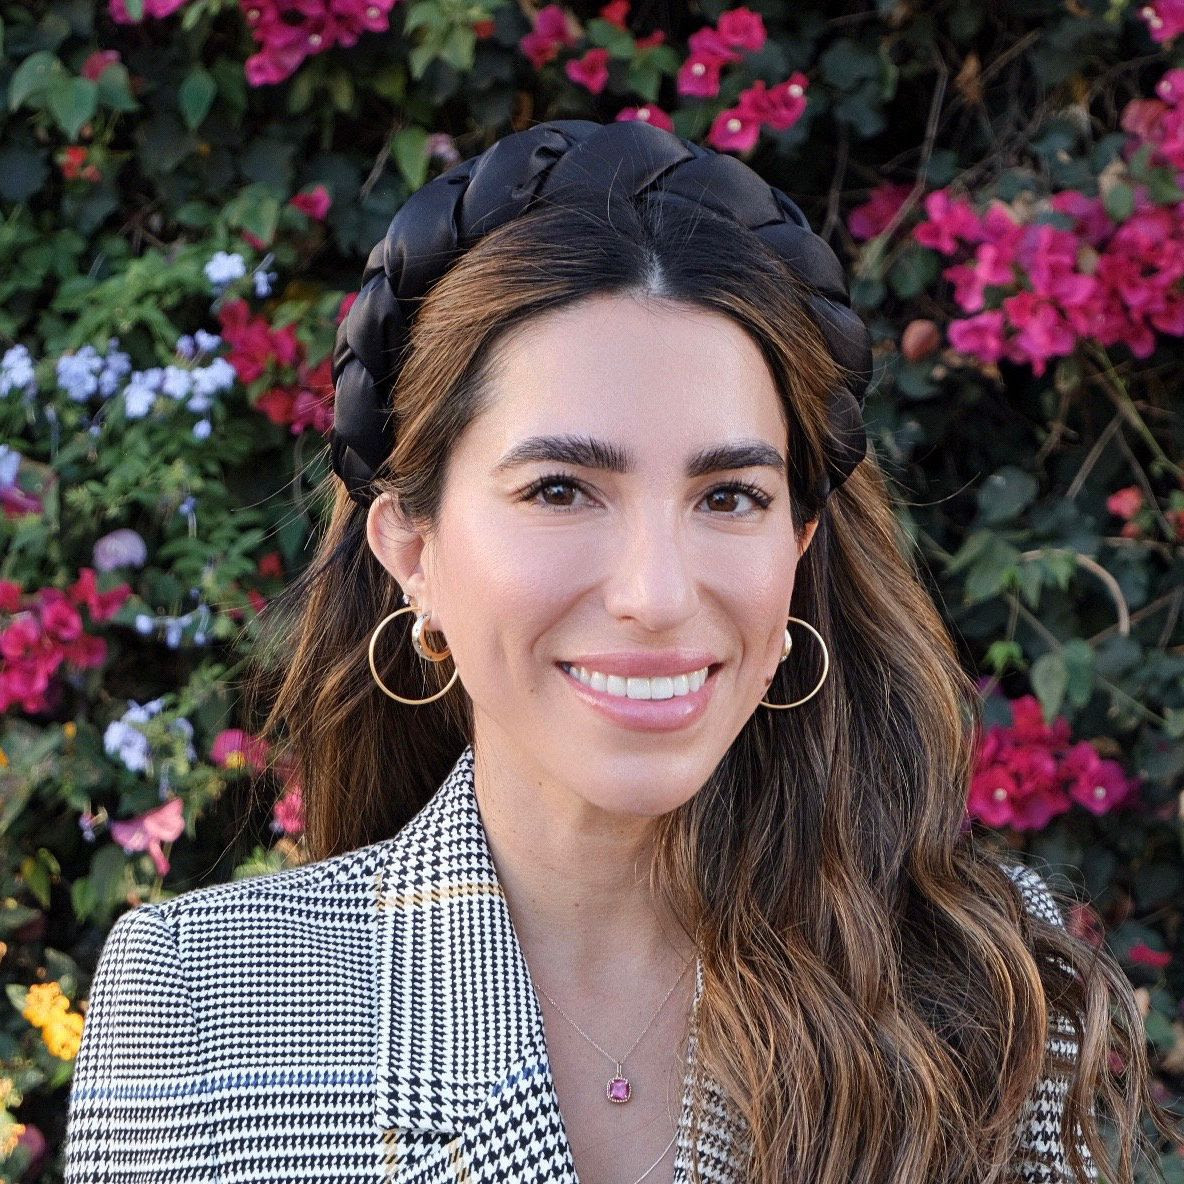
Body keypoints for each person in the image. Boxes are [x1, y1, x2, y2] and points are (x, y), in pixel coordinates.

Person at [63, 119, 1177, 1184]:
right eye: (558, 488)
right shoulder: (204, 998)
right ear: (412, 546)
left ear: (796, 543)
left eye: (729, 494)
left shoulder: (980, 973)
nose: (655, 592)